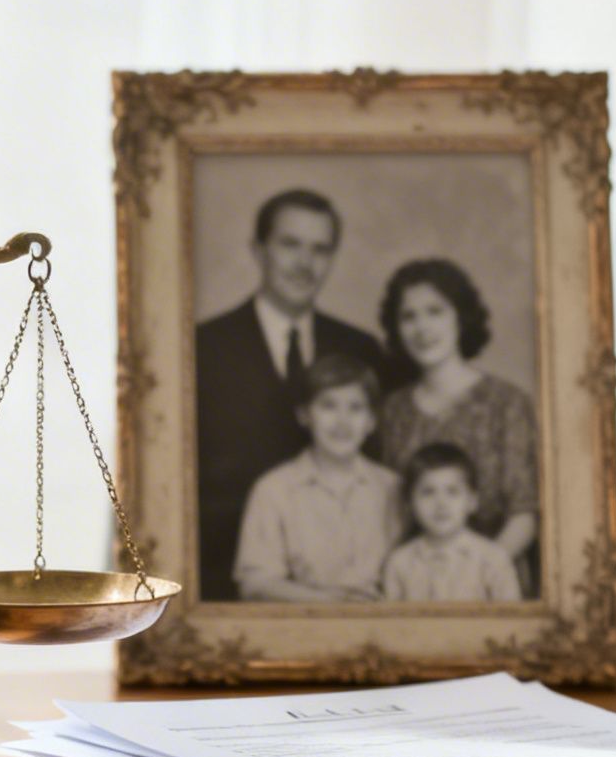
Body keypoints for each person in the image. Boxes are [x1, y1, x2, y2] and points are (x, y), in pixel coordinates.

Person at [196, 189, 387, 601]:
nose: (305, 263)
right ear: (258, 249)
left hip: (351, 589)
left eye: (320, 249)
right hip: (222, 588)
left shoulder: (361, 349)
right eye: (290, 245)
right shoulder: (202, 348)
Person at [374, 257, 540, 597]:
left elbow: (525, 512)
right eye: (409, 316)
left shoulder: (506, 403)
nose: (422, 328)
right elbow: (390, 513)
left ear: (461, 318)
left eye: (435, 311)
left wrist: (474, 574)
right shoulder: (392, 410)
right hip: (414, 585)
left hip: (493, 585)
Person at [232, 354, 399, 602]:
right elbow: (255, 584)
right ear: (304, 415)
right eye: (328, 405)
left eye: (355, 407)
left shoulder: (393, 487)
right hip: (303, 627)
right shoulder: (273, 490)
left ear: (371, 421)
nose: (342, 421)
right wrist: (332, 603)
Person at [381, 443, 521, 602]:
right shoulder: (399, 564)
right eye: (428, 492)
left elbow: (512, 622)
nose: (441, 503)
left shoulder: (494, 560)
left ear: (472, 501)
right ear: (410, 504)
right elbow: (391, 623)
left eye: (452, 492)